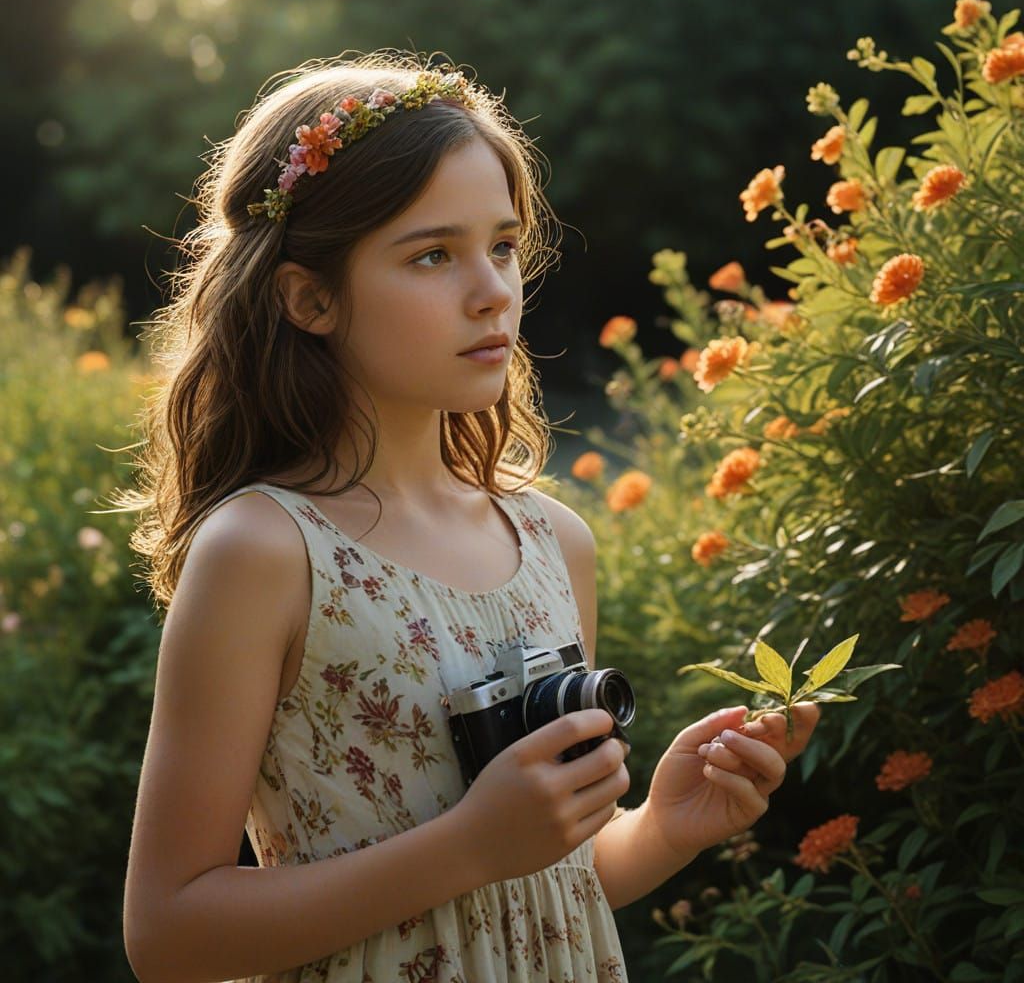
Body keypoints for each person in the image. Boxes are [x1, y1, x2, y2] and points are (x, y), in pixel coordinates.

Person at [119, 49, 820, 983]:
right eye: (433, 255)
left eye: (503, 246)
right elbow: (168, 932)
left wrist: (664, 826)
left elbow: (545, 886)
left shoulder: (553, 542)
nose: (492, 290)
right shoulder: (265, 551)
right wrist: (471, 844)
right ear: (310, 298)